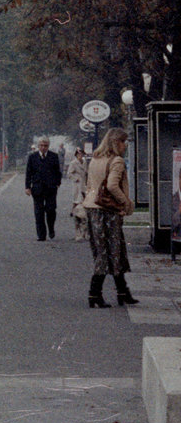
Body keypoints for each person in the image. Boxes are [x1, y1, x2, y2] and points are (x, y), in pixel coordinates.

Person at [82, 127, 137, 308]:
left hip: (92, 207)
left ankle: (122, 291)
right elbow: (113, 186)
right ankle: (94, 293)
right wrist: (126, 202)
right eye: (123, 141)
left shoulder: (96, 159)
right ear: (116, 142)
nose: (125, 145)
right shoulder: (117, 161)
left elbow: (89, 183)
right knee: (110, 251)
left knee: (107, 249)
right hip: (107, 210)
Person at [25, 136, 63, 240]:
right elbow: (28, 173)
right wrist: (27, 187)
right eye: (41, 145)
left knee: (51, 210)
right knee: (39, 212)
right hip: (37, 188)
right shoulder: (32, 157)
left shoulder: (53, 156)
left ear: (48, 146)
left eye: (45, 146)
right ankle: (41, 235)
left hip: (51, 188)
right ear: (38, 146)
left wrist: (58, 182)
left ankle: (51, 228)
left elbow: (58, 172)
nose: (43, 147)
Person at [66, 147, 88, 241]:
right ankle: (77, 231)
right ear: (76, 155)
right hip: (77, 185)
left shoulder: (85, 162)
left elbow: (87, 173)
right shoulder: (73, 163)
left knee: (85, 205)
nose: (80, 156)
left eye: (82, 154)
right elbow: (69, 174)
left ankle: (84, 232)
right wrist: (76, 178)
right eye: (79, 154)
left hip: (84, 185)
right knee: (77, 203)